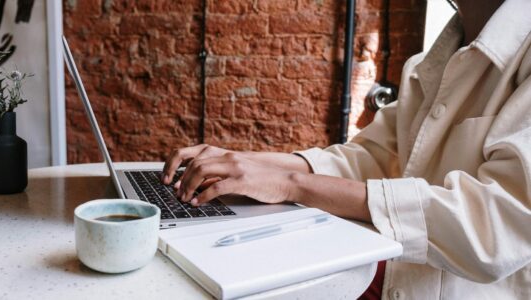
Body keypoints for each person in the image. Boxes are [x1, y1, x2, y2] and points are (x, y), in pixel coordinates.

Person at [161, 0, 531, 298]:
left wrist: (293, 184)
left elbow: (495, 226)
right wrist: (245, 163)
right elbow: (370, 157)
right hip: (396, 278)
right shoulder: (435, 60)